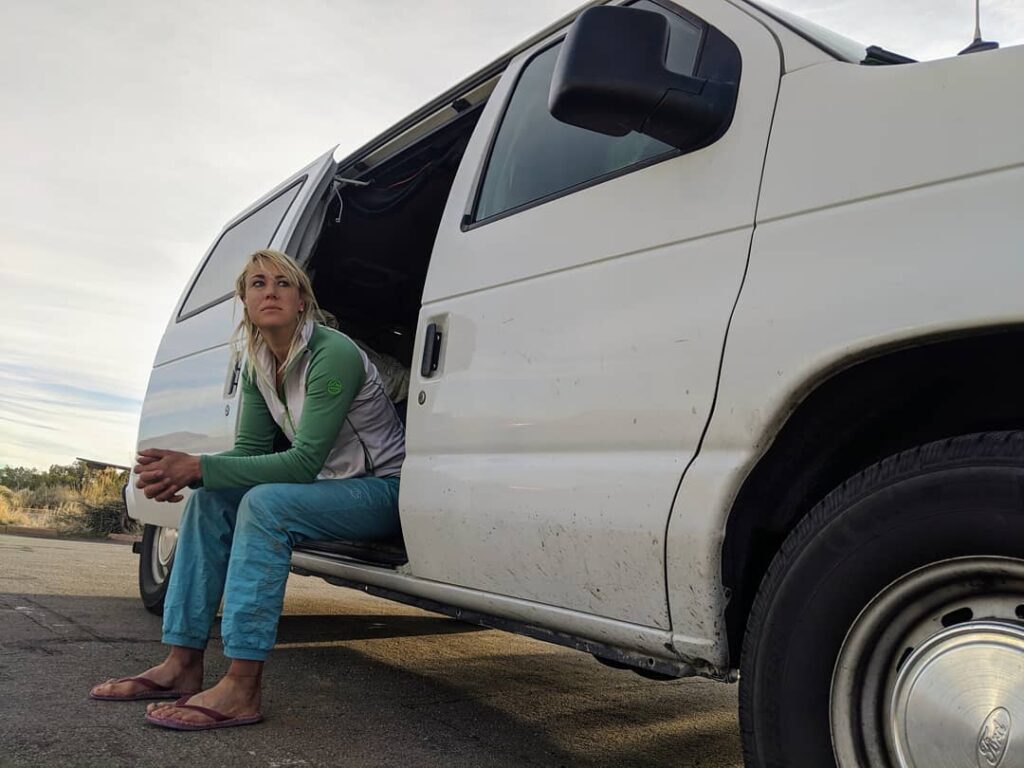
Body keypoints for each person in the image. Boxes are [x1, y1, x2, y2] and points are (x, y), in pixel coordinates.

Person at [90, 248, 406, 730]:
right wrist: (190, 472)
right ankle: (181, 663)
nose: (270, 291)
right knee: (210, 499)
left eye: (284, 283)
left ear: (303, 301)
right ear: (244, 300)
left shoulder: (333, 352)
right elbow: (250, 449)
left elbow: (302, 464)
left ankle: (241, 684)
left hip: (381, 490)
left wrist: (197, 465)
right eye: (258, 284)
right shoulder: (258, 359)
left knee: (264, 504)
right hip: (329, 489)